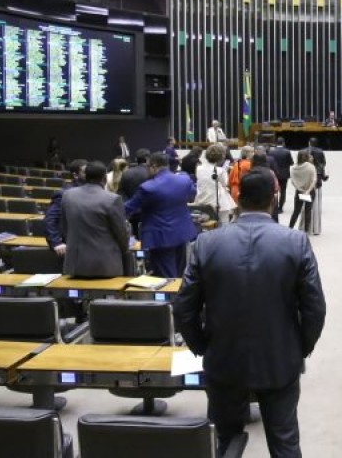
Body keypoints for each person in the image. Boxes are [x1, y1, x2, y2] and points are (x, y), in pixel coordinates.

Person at [174, 171, 326, 458]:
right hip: (280, 360)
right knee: (284, 441)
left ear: (238, 198)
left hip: (223, 358)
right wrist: (299, 348)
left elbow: (183, 307)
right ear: (274, 199)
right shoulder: (296, 241)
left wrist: (203, 346)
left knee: (226, 441)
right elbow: (315, 307)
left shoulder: (207, 242)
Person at [125, 152, 197, 279]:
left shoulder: (148, 187)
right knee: (180, 274)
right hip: (181, 233)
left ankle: (172, 293)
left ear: (153, 166)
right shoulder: (184, 180)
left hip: (160, 238)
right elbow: (192, 194)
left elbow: (128, 208)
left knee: (166, 278)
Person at [60, 161, 131, 277]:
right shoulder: (113, 199)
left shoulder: (67, 195)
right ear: (104, 178)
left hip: (75, 265)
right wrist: (125, 249)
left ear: (85, 176)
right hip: (105, 265)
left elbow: (64, 228)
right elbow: (121, 234)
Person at [44, 158, 87, 255]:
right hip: (74, 246)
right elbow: (50, 219)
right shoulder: (64, 193)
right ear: (75, 175)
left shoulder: (93, 189)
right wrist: (56, 242)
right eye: (85, 172)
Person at [193, 143, 236, 223]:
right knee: (224, 223)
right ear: (221, 157)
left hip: (202, 200)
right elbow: (225, 184)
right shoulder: (221, 170)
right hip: (218, 202)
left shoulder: (198, 168)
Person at [288, 150, 317, 233]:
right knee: (307, 211)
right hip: (309, 192)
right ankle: (305, 231)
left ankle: (290, 228)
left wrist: (299, 189)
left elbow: (293, 182)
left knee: (296, 211)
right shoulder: (311, 167)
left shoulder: (293, 168)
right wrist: (308, 191)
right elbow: (314, 180)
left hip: (299, 192)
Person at [306, 138, 327, 235]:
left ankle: (307, 228)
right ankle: (316, 229)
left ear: (309, 143)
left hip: (306, 182)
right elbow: (323, 164)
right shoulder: (320, 151)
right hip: (317, 181)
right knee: (316, 206)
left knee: (306, 207)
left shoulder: (304, 151)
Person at [269, 138, 295, 213]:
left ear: (276, 143)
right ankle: (280, 208)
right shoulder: (287, 151)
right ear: (283, 143)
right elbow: (291, 163)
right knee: (283, 191)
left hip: (274, 174)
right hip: (284, 175)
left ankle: (275, 207)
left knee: (274, 191)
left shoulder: (271, 152)